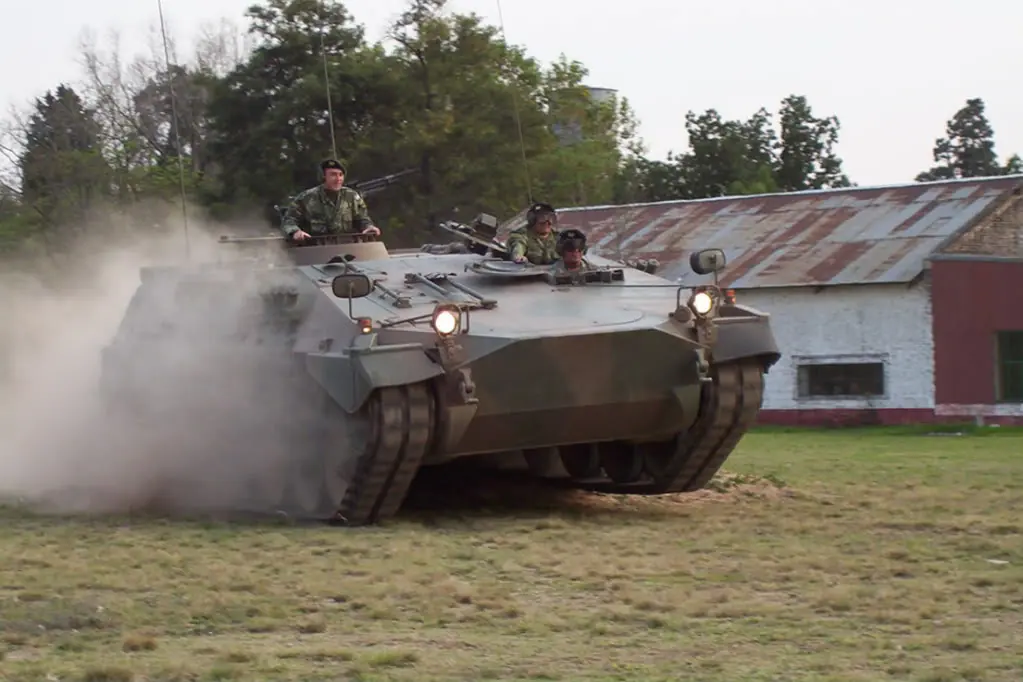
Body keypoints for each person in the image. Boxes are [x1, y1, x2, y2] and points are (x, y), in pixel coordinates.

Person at [281, 159, 381, 241]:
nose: (338, 179)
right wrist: (295, 232)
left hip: (349, 249)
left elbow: (362, 218)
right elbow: (289, 220)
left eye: (340, 175)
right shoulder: (307, 198)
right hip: (315, 251)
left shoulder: (351, 196)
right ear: (324, 176)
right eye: (333, 175)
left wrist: (368, 227)